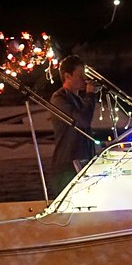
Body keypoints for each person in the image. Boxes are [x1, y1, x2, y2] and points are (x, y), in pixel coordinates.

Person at [49, 55, 98, 193]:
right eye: (79, 74)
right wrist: (90, 95)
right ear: (67, 76)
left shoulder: (79, 100)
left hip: (81, 162)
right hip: (67, 165)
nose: (84, 78)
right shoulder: (59, 98)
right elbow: (83, 121)